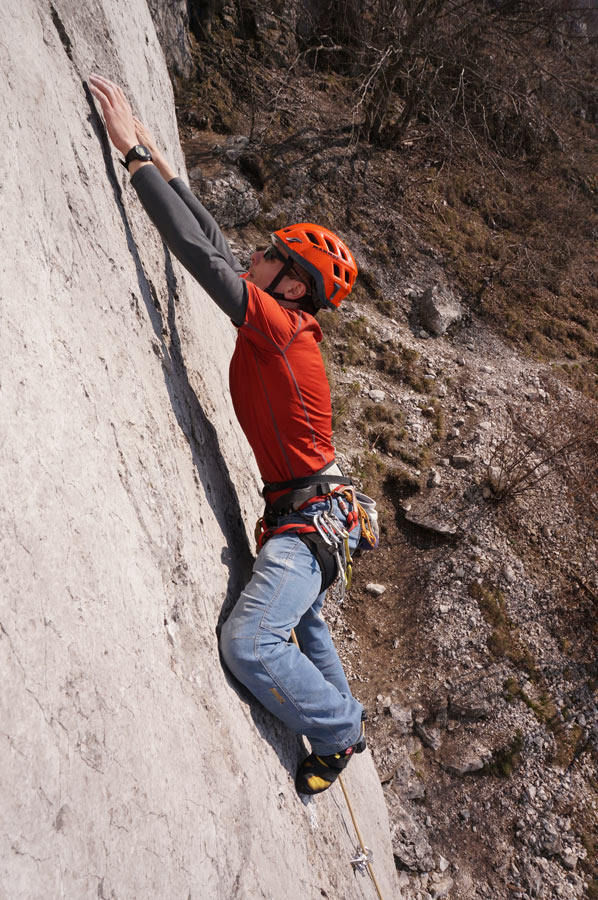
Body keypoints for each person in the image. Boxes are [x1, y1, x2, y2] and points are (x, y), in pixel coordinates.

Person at [89, 74, 371, 795]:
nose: (260, 252)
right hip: (308, 516)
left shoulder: (282, 329)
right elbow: (214, 239)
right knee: (303, 626)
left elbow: (202, 257)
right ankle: (344, 724)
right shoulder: (283, 319)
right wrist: (159, 156)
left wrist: (132, 160)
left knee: (250, 642)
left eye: (274, 253)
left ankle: (338, 733)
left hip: (309, 521)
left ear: (293, 286)